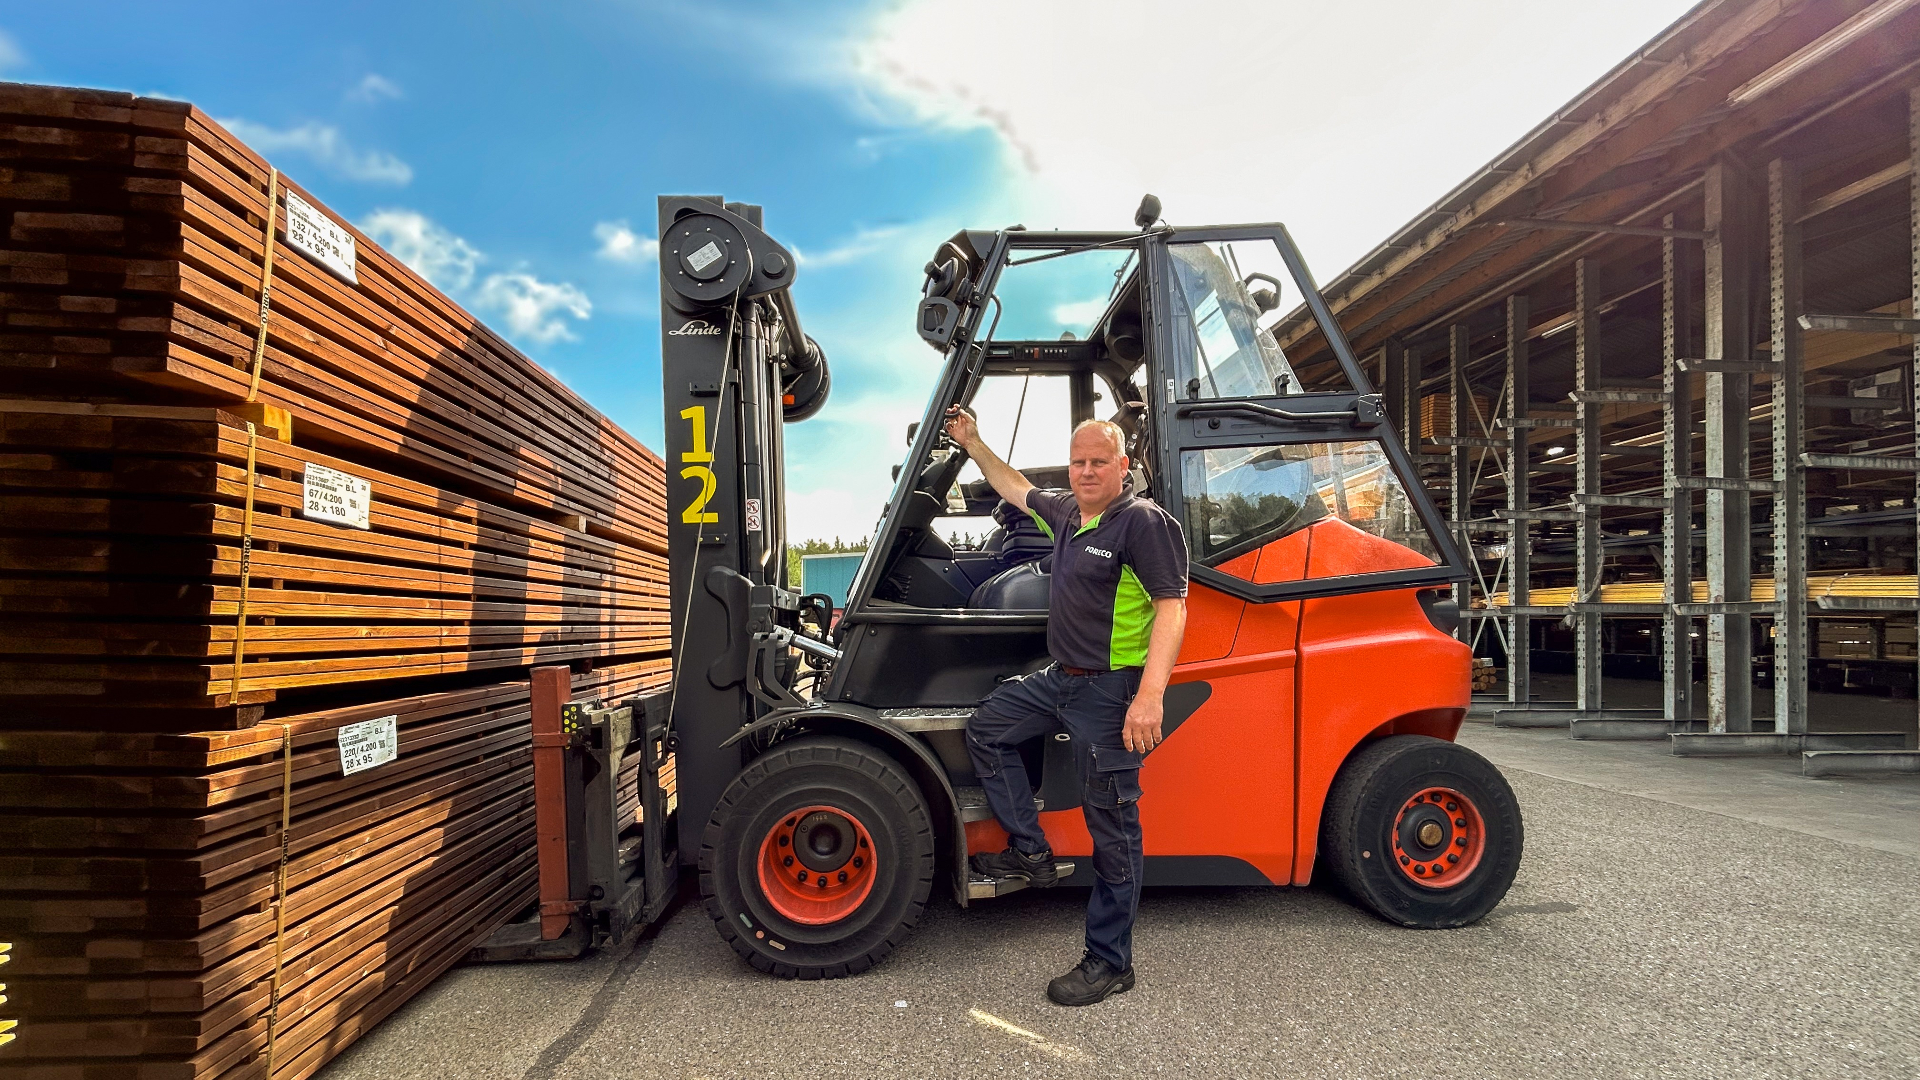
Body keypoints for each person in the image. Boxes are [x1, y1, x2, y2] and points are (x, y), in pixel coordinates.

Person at [942, 406, 1189, 1007]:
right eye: (1078, 462)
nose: (1084, 471)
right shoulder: (1071, 514)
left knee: (1112, 828)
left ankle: (1111, 961)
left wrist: (1150, 695)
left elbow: (1173, 609)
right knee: (988, 729)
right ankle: (1029, 849)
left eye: (1097, 462)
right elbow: (1016, 487)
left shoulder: (1141, 523)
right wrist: (974, 441)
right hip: (1061, 681)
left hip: (1111, 693)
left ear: (1122, 466)